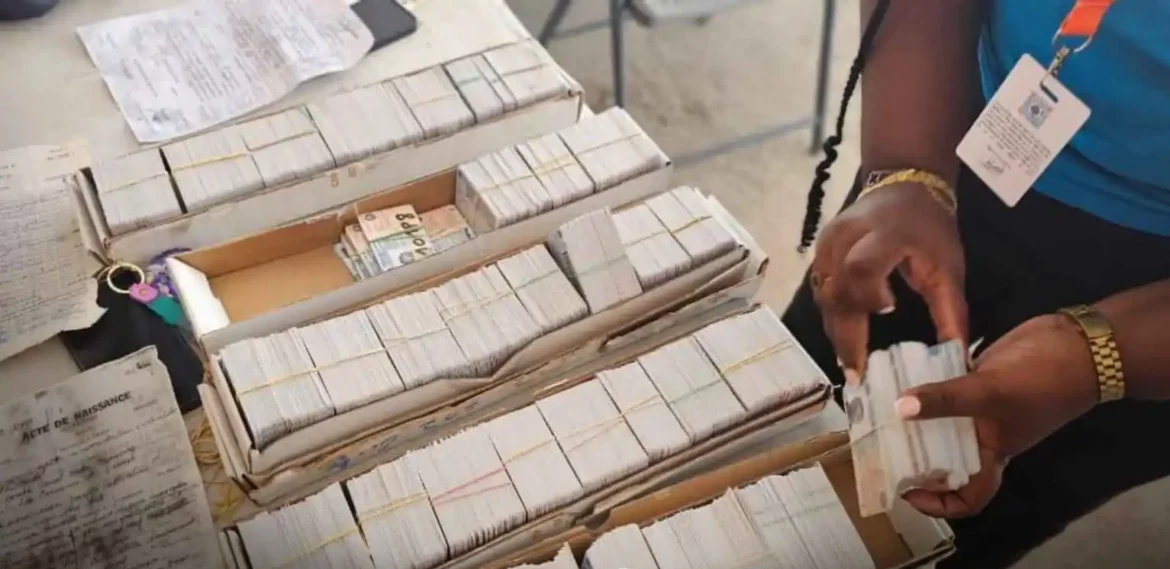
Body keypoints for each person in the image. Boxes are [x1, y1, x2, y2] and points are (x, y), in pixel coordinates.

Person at [782, 1, 1170, 567]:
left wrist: (1093, 360)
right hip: (958, 119)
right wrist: (907, 169)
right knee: (794, 409)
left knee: (958, 522)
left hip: (1153, 304)